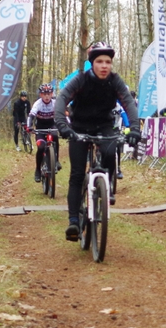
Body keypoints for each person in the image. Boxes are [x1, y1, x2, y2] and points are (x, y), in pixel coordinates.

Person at [55, 42, 140, 241]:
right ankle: (73, 221)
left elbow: (128, 103)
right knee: (77, 174)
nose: (104, 66)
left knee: (110, 152)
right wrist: (63, 126)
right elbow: (61, 99)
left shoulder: (115, 81)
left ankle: (106, 184)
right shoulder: (81, 79)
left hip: (104, 126)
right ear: (92, 63)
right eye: (100, 61)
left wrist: (135, 128)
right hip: (79, 127)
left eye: (108, 62)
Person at [27, 83, 60, 182]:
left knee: (55, 136)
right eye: (44, 94)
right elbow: (31, 116)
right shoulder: (37, 104)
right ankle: (37, 170)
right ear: (40, 95)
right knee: (41, 147)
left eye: (48, 94)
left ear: (52, 94)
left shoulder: (55, 103)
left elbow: (62, 115)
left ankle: (56, 160)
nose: (46, 96)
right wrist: (29, 126)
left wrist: (67, 125)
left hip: (51, 125)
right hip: (40, 128)